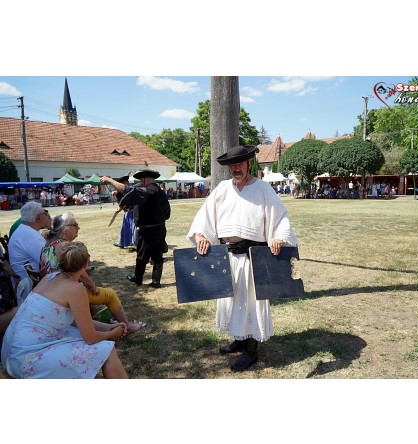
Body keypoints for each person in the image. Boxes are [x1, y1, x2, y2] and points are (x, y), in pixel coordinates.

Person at [186, 145, 298, 372]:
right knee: (233, 302)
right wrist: (200, 235)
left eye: (240, 164)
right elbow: (204, 216)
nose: (236, 168)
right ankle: (239, 338)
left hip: (253, 258)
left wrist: (278, 237)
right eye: (232, 165)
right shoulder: (222, 190)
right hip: (228, 257)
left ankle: (251, 351)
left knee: (250, 304)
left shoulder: (264, 190)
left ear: (249, 164)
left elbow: (281, 219)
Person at [1, 242, 128, 378]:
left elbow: (79, 322)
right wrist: (112, 334)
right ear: (85, 266)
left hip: (10, 352)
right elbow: (90, 338)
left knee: (75, 333)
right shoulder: (75, 289)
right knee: (107, 349)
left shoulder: (48, 278)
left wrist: (109, 327)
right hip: (25, 359)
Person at [39, 213, 144, 334]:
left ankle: (104, 322)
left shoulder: (47, 246)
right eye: (75, 225)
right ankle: (127, 326)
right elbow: (79, 271)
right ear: (63, 229)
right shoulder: (66, 247)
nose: (78, 228)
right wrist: (92, 285)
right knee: (110, 295)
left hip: (50, 293)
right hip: (65, 294)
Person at [101, 170, 171, 288]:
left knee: (142, 257)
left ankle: (138, 279)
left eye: (141, 181)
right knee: (157, 256)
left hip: (148, 231)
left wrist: (109, 180)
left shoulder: (149, 190)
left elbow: (126, 189)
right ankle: (156, 281)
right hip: (160, 228)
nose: (139, 183)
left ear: (146, 180)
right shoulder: (159, 191)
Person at [8, 202, 50, 280]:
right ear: (39, 218)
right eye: (45, 214)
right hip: (30, 283)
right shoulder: (29, 234)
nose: (47, 216)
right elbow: (49, 260)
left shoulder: (24, 229)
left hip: (27, 279)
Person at [112, 175, 136, 249]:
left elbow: (127, 201)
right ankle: (122, 242)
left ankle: (133, 243)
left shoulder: (131, 189)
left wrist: (120, 208)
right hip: (127, 212)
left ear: (125, 182)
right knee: (126, 228)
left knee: (132, 228)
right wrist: (116, 194)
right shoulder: (124, 189)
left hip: (133, 211)